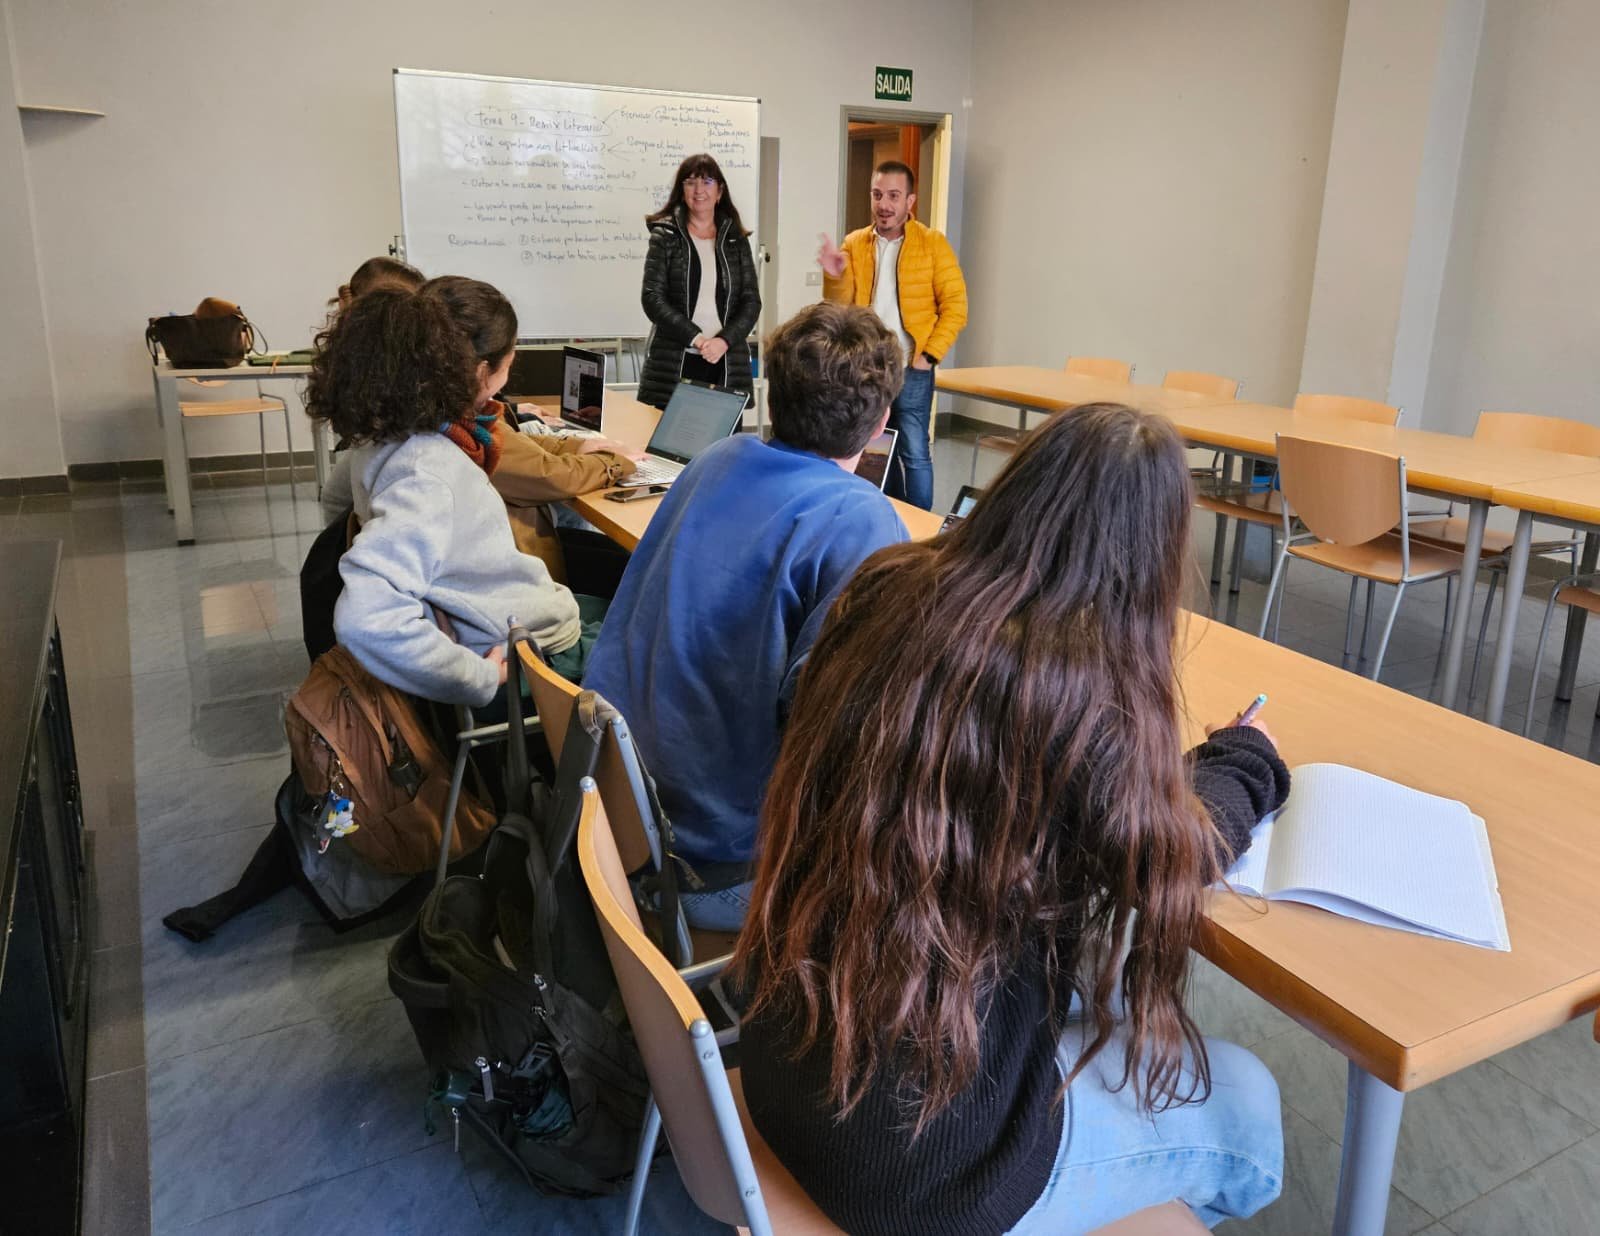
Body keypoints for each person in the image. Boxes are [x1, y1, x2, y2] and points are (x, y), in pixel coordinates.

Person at [736, 403, 1289, 1235]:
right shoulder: (1073, 687)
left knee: (1082, 1028)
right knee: (1246, 1106)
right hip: (919, 1170)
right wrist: (1243, 760)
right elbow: (1172, 859)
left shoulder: (886, 587)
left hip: (788, 1065)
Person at [582, 303, 908, 929]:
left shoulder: (717, 458)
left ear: (770, 394)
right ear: (880, 424)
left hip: (612, 811)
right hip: (712, 868)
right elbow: (839, 731)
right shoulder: (860, 517)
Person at [307, 276, 607, 707]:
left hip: (505, 620)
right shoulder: (428, 469)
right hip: (528, 653)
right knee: (667, 632)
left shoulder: (389, 437)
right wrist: (478, 677)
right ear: (479, 369)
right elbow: (365, 618)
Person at [819, 159, 968, 511]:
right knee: (876, 444)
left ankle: (923, 527)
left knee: (914, 450)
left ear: (910, 201)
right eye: (877, 194)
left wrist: (929, 355)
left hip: (912, 366)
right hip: (868, 366)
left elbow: (956, 306)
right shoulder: (855, 242)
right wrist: (835, 275)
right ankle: (894, 512)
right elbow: (839, 306)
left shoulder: (932, 243)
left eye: (893, 196)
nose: (884, 204)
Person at [637, 154, 761, 409]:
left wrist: (723, 341)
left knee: (723, 446)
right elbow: (652, 298)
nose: (698, 190)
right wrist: (697, 338)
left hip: (724, 359)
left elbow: (751, 301)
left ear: (719, 191)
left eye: (707, 182)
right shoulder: (665, 235)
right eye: (690, 182)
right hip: (675, 360)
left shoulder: (736, 239)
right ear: (681, 191)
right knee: (671, 444)